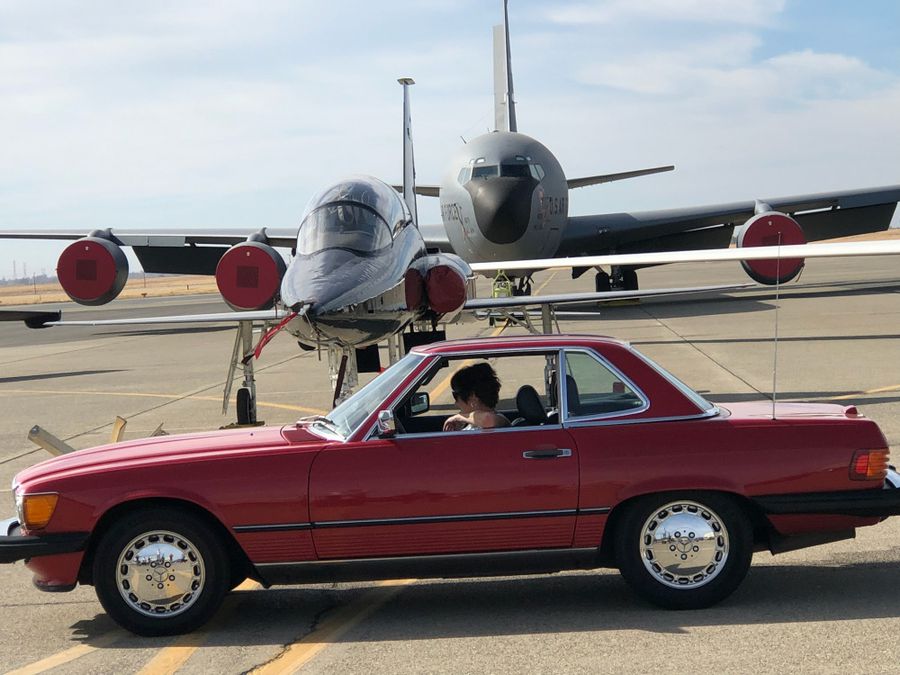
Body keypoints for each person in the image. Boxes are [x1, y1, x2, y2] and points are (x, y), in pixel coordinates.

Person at [442, 362, 511, 431]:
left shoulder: (499, 420)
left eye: (456, 396)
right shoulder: (471, 423)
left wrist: (458, 417)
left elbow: (488, 419)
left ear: (472, 397)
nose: (456, 404)